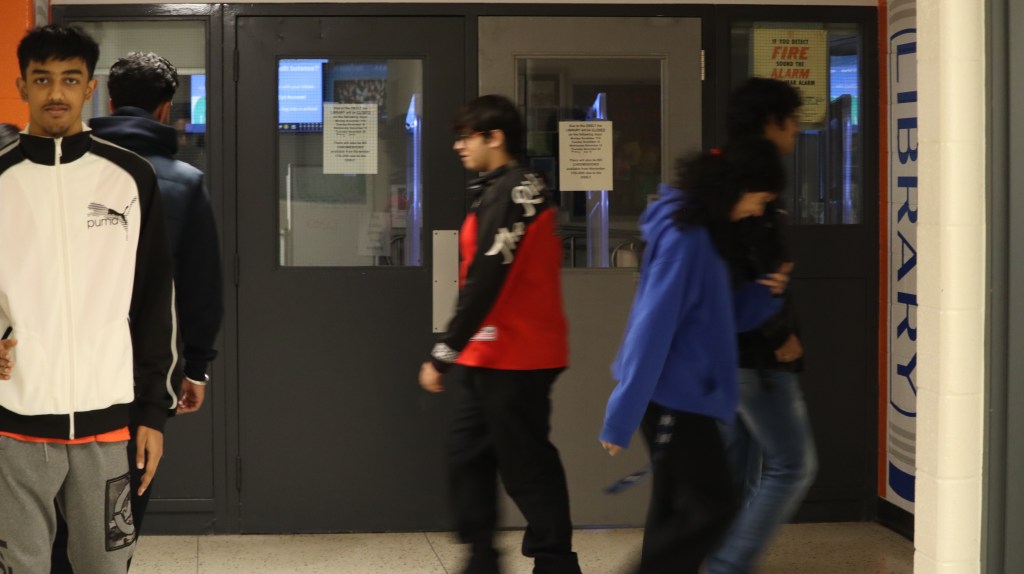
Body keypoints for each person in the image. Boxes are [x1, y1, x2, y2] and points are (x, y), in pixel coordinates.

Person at [0, 25, 179, 573]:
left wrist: (154, 413)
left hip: (108, 428)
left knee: (106, 566)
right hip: (15, 425)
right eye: (43, 79)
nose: (56, 93)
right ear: (22, 85)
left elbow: (154, 300)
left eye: (70, 79)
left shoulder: (131, 177)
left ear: (90, 88)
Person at [46, 52, 225, 573]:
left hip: (55, 376)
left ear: (104, 97)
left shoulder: (65, 170)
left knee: (49, 520)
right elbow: (200, 289)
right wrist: (193, 367)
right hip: (139, 382)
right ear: (166, 109)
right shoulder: (183, 182)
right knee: (113, 518)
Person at [600, 137, 790, 574]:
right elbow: (652, 328)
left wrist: (765, 297)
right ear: (734, 189)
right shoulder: (688, 241)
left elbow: (717, 316)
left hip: (687, 395)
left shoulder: (706, 236)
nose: (760, 211)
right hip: (672, 397)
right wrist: (622, 413)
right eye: (760, 200)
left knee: (676, 507)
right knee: (713, 504)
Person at [418, 94, 582, 574]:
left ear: (496, 138)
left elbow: (488, 276)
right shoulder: (500, 188)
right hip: (489, 353)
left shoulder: (518, 191)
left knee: (525, 464)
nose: (458, 146)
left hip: (520, 353)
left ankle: (555, 561)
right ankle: (482, 557)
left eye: (466, 137)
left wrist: (444, 351)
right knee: (467, 454)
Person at [706, 77, 818, 574]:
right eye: (792, 122)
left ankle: (716, 560)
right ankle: (728, 564)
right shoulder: (749, 182)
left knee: (737, 471)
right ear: (772, 122)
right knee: (793, 465)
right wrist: (779, 336)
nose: (796, 133)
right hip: (756, 354)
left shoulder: (725, 174)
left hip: (730, 357)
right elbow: (746, 271)